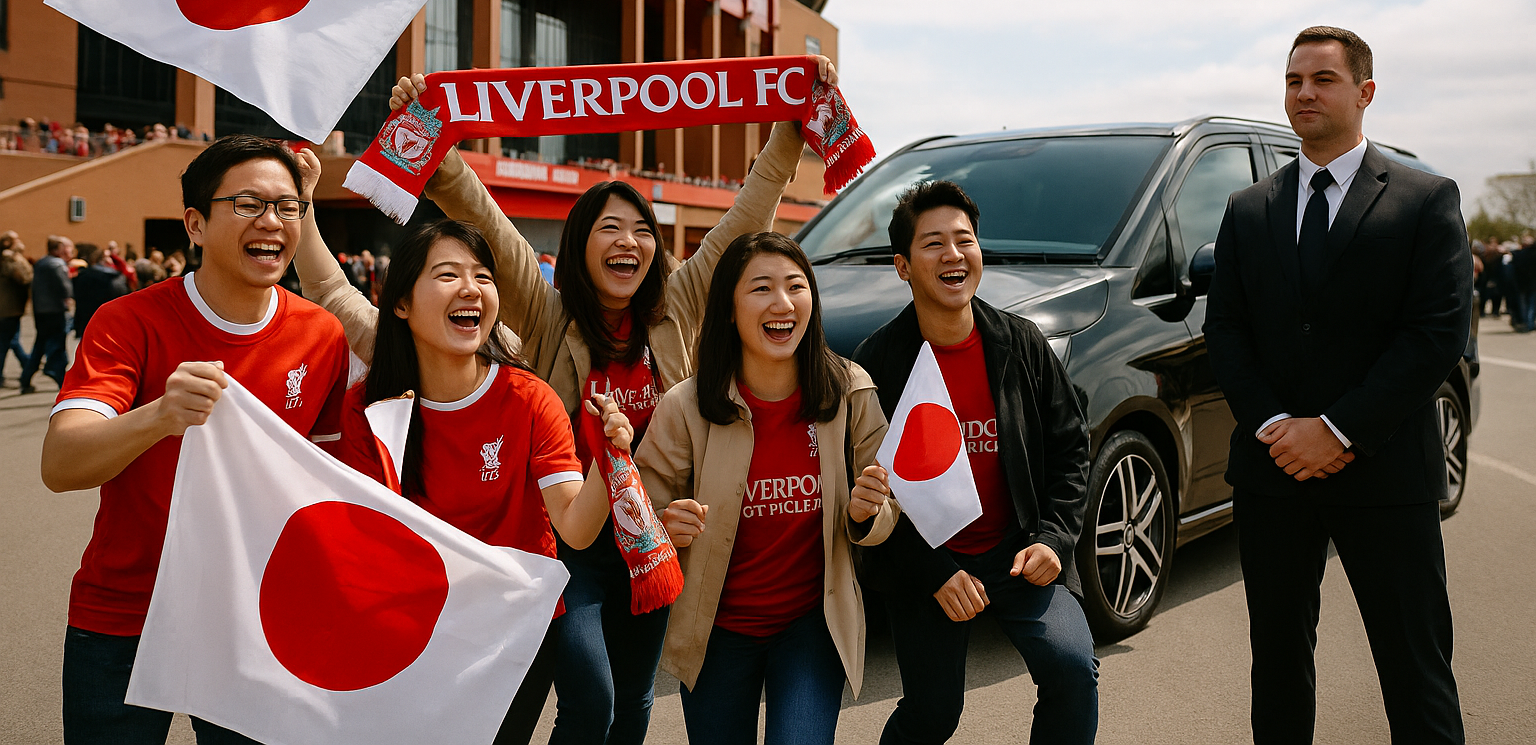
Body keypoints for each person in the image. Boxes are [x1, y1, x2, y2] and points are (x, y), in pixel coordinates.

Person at [299, 58, 840, 745]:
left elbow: (745, 219)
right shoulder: (547, 313)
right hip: (567, 540)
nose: (629, 242)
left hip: (653, 536)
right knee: (592, 697)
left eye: (642, 229)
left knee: (636, 702)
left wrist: (789, 131)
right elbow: (485, 222)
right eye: (609, 229)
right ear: (578, 243)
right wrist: (434, 142)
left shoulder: (677, 308)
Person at [1204, 26, 1474, 745]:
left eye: (1322, 79)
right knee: (1279, 669)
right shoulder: (1247, 208)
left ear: (1365, 92)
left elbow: (1435, 334)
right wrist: (1276, 427)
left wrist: (1338, 429)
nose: (1303, 93)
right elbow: (1226, 332)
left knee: (1415, 670)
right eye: (1293, 80)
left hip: (1383, 473)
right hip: (1274, 474)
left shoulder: (1424, 199)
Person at [39, 134, 353, 745]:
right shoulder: (128, 321)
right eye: (248, 204)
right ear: (195, 224)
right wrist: (158, 415)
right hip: (126, 614)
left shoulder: (321, 335)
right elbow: (62, 462)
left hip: (253, 620)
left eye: (288, 207)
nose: (272, 222)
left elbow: (326, 480)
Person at [338, 218, 634, 745]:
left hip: (512, 624)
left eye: (483, 275)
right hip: (421, 628)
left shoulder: (529, 398)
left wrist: (609, 461)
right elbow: (367, 542)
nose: (472, 289)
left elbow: (575, 529)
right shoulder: (370, 407)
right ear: (400, 302)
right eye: (447, 275)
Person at [852, 180, 1098, 745]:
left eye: (965, 240)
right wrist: (932, 571)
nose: (954, 255)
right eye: (933, 243)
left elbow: (1070, 448)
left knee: (1071, 670)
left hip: (1018, 552)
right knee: (933, 712)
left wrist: (1054, 541)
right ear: (902, 266)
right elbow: (866, 499)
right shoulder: (877, 363)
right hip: (929, 566)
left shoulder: (1021, 343)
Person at [634, 232, 896, 745]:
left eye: (797, 286)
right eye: (761, 288)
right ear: (729, 309)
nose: (783, 303)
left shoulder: (851, 390)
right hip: (714, 630)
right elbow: (640, 507)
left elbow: (893, 503)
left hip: (811, 625)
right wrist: (663, 525)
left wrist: (869, 514)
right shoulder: (686, 406)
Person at [19, 235, 74, 394]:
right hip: (54, 310)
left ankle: (26, 378)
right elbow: (65, 287)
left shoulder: (42, 262)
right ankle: (58, 378)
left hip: (41, 310)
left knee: (40, 345)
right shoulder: (57, 264)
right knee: (57, 346)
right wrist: (69, 297)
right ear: (57, 249)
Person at [72, 249, 130, 338]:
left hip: (102, 320)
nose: (109, 260)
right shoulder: (110, 277)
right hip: (95, 319)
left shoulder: (116, 277)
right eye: (106, 257)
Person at [1, 231, 33, 385]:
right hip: (8, 308)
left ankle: (27, 364)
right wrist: (18, 257)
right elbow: (24, 277)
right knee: (6, 341)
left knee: (11, 340)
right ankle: (27, 364)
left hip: (11, 307)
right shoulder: (8, 259)